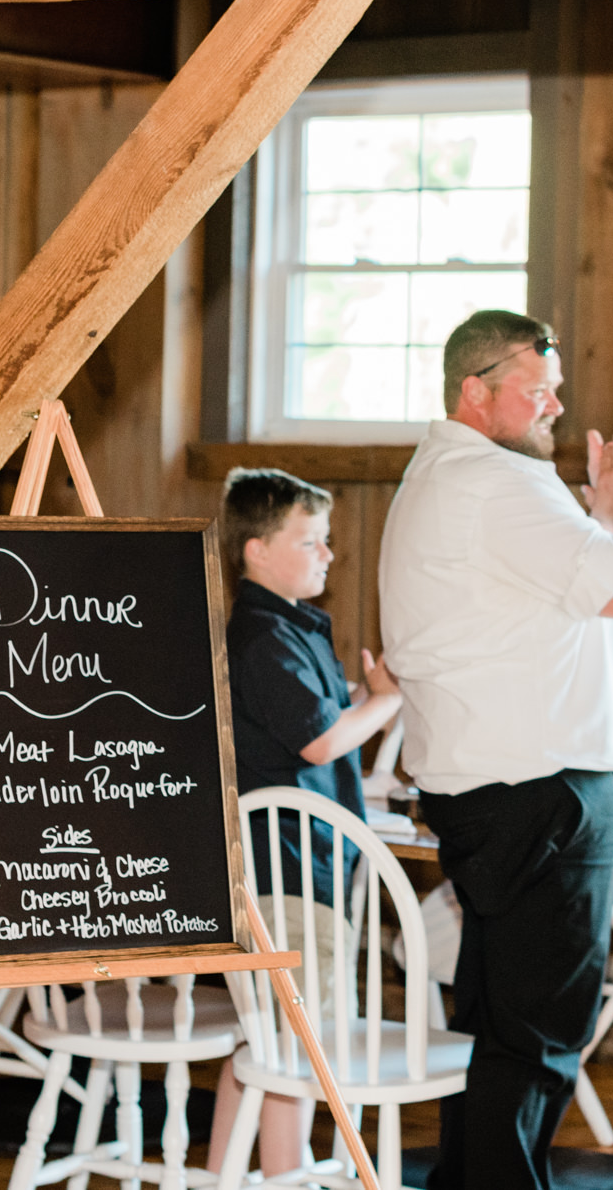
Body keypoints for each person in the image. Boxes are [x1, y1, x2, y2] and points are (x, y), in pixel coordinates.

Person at [379, 310, 613, 1190]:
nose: (555, 403)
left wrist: (593, 512)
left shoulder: (454, 479)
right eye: (537, 389)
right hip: (544, 799)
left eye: (556, 386)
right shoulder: (495, 482)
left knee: (501, 1031)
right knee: (536, 1042)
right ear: (475, 391)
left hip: (497, 797)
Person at [206, 468, 404, 1179]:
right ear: (257, 550)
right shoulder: (264, 639)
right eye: (311, 541)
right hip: (286, 869)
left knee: (266, 1038)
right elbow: (319, 741)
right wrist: (384, 701)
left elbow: (305, 727)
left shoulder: (288, 631)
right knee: (297, 1047)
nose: (327, 555)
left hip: (295, 866)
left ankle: (225, 1175)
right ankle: (285, 1178)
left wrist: (357, 706)